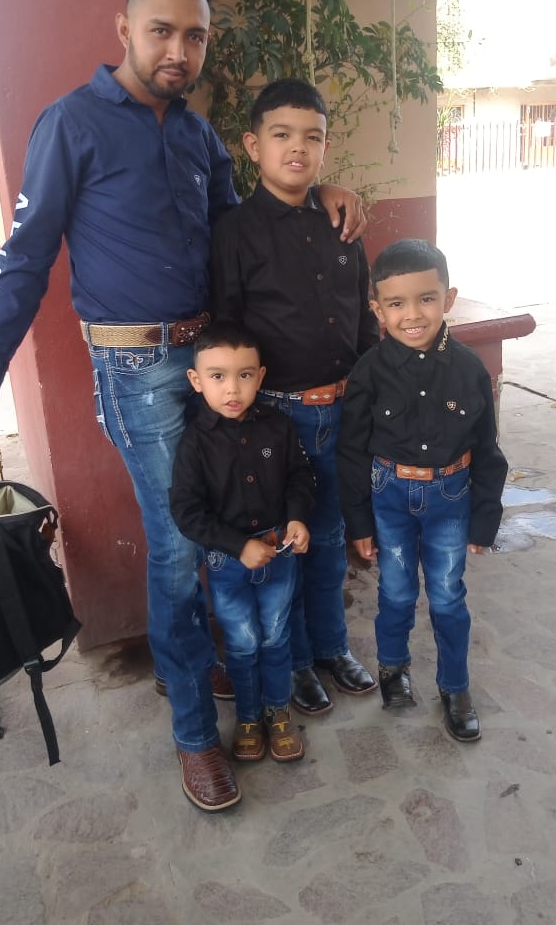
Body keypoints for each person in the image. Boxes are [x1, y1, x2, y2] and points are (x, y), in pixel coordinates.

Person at [0, 0, 366, 812]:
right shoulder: (72, 124)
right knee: (180, 545)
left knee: (237, 517)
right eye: (162, 30)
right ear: (124, 30)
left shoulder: (200, 135)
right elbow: (25, 261)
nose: (179, 50)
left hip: (217, 363)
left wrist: (313, 188)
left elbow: (239, 229)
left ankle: (199, 662)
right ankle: (195, 735)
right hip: (136, 370)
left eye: (195, 35)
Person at [210, 78, 380, 718]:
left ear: (326, 147)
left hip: (341, 412)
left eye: (313, 137)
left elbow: (363, 319)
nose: (298, 148)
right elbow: (227, 330)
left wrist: (367, 395)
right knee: (289, 542)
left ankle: (333, 647)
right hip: (276, 417)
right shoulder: (235, 232)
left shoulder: (342, 222)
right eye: (281, 135)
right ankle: (300, 660)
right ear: (254, 146)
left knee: (331, 539)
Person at [336, 239, 508, 742]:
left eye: (426, 299)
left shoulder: (469, 369)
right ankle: (393, 669)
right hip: (389, 497)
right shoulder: (368, 372)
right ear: (377, 309)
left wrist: (484, 519)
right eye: (396, 303)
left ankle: (455, 688)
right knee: (396, 592)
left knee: (448, 597)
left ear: (448, 298)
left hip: (450, 500)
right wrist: (359, 522)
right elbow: (351, 451)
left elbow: (488, 449)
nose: (412, 315)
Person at [169, 322, 315, 776]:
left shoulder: (278, 427)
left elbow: (300, 477)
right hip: (227, 564)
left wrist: (297, 517)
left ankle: (277, 711)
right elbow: (186, 512)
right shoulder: (194, 443)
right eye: (218, 376)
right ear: (196, 380)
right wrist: (237, 546)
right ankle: (249, 717)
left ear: (261, 375)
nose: (232, 389)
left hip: (279, 554)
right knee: (243, 641)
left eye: (245, 375)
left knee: (276, 635)